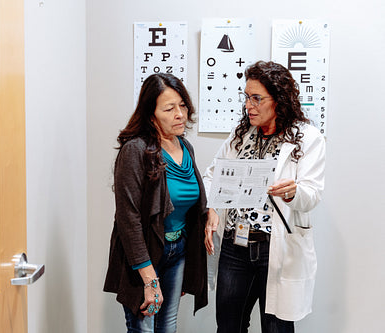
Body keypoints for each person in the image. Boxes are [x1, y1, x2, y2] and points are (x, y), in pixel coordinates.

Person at [203, 61, 326, 333]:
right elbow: (212, 175)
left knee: (276, 327)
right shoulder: (241, 135)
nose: (249, 105)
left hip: (275, 247)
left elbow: (312, 194)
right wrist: (212, 209)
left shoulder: (307, 138)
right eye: (246, 97)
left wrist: (294, 192)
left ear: (279, 100)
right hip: (236, 246)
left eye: (256, 98)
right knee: (228, 325)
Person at [104, 73, 209, 333]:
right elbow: (128, 219)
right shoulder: (135, 150)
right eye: (169, 108)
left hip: (178, 251)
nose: (180, 114)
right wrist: (150, 279)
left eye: (182, 105)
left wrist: (211, 213)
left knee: (167, 327)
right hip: (144, 257)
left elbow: (193, 204)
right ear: (151, 114)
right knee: (144, 328)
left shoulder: (185, 147)